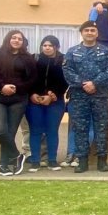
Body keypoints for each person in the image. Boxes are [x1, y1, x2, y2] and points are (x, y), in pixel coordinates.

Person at [63, 21, 108, 173]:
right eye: (87, 30)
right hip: (79, 96)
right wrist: (84, 83)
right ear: (82, 33)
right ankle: (82, 161)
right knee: (80, 128)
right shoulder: (72, 52)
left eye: (93, 30)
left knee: (102, 128)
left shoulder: (105, 52)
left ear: (97, 33)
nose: (90, 33)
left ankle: (102, 161)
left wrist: (94, 83)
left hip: (100, 96)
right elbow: (67, 71)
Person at [0, 30, 37, 176]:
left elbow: (32, 79)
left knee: (10, 133)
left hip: (18, 99)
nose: (16, 40)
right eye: (14, 37)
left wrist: (16, 88)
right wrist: (2, 86)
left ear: (23, 42)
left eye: (20, 38)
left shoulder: (28, 59)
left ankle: (4, 166)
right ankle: (17, 156)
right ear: (8, 39)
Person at [26, 36, 68, 172]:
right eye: (44, 45)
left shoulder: (64, 61)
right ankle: (35, 161)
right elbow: (27, 79)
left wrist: (53, 94)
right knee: (35, 131)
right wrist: (32, 93)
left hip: (55, 101)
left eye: (50, 45)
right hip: (34, 101)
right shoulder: (34, 59)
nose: (47, 48)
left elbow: (66, 80)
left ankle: (52, 160)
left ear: (56, 47)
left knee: (51, 131)